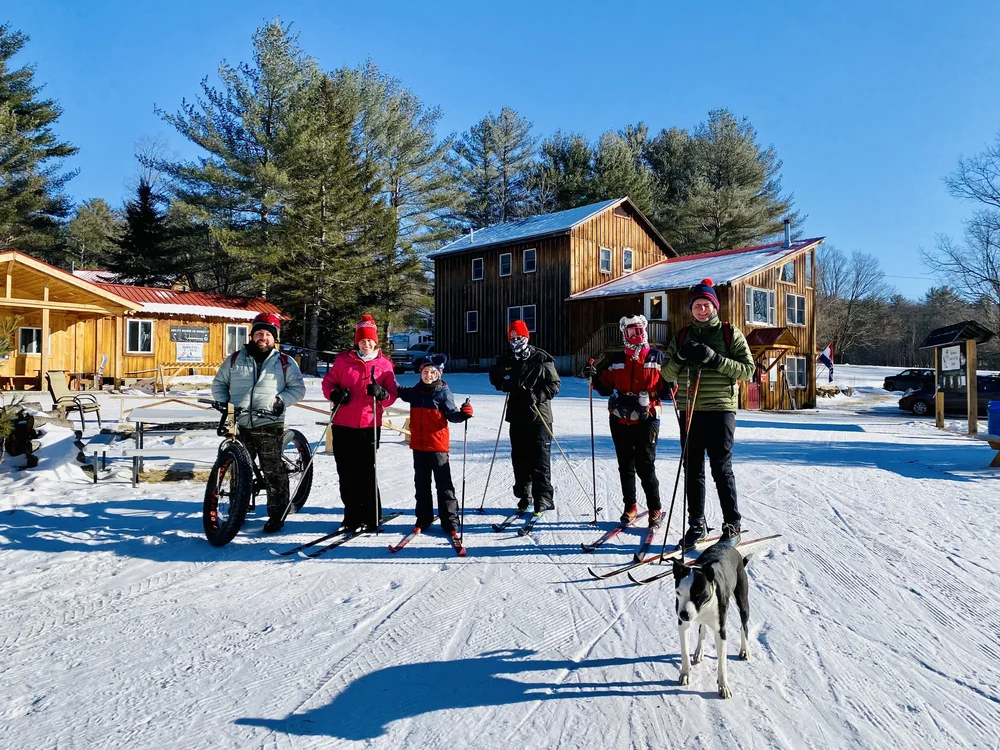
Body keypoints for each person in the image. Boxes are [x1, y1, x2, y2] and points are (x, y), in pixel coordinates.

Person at [660, 278, 755, 546]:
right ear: (691, 308)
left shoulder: (729, 333)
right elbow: (666, 374)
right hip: (689, 408)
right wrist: (680, 357)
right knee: (692, 469)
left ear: (715, 306)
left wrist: (714, 358)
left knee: (721, 468)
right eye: (697, 305)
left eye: (706, 304)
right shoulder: (681, 336)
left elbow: (748, 370)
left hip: (721, 408)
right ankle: (697, 523)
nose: (702, 309)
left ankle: (731, 524)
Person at [211, 311, 306, 533]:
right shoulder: (235, 359)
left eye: (267, 334)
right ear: (252, 336)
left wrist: (280, 401)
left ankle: (277, 513)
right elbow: (219, 384)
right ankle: (237, 510)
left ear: (274, 339)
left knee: (272, 469)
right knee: (237, 469)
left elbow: (298, 389)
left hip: (269, 422)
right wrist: (225, 403)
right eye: (259, 333)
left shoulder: (284, 362)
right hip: (240, 422)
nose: (263, 338)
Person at [583, 314, 671, 528]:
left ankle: (654, 508)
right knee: (625, 464)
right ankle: (630, 505)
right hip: (621, 417)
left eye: (639, 331)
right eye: (630, 332)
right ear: (624, 334)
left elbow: (668, 392)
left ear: (645, 331)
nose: (635, 336)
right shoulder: (616, 359)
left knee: (645, 464)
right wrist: (593, 377)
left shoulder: (656, 357)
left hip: (647, 416)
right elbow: (605, 387)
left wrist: (672, 382)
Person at [321, 314, 398, 531]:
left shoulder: (384, 364)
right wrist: (335, 394)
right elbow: (328, 382)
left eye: (369, 341)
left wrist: (382, 393)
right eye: (362, 341)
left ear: (375, 341)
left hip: (369, 425)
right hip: (343, 423)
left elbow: (392, 394)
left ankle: (372, 515)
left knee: (366, 470)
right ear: (357, 342)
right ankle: (352, 516)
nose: (366, 344)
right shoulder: (344, 360)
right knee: (346, 472)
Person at [488, 320, 562, 514]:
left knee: (540, 460)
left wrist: (537, 395)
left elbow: (554, 384)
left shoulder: (541, 357)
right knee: (519, 460)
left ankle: (543, 499)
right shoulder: (507, 359)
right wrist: (504, 385)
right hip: (517, 415)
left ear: (526, 337)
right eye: (512, 337)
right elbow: (494, 376)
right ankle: (525, 496)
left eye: (519, 337)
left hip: (539, 416)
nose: (515, 340)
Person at [396, 354, 474, 537]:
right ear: (420, 373)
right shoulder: (415, 393)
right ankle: (423, 517)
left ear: (439, 374)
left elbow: (452, 415)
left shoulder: (443, 393)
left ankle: (450, 521)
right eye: (425, 371)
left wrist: (463, 414)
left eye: (433, 372)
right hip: (418, 446)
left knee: (443, 484)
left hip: (437, 446)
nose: (428, 375)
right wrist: (383, 376)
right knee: (421, 484)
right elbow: (397, 389)